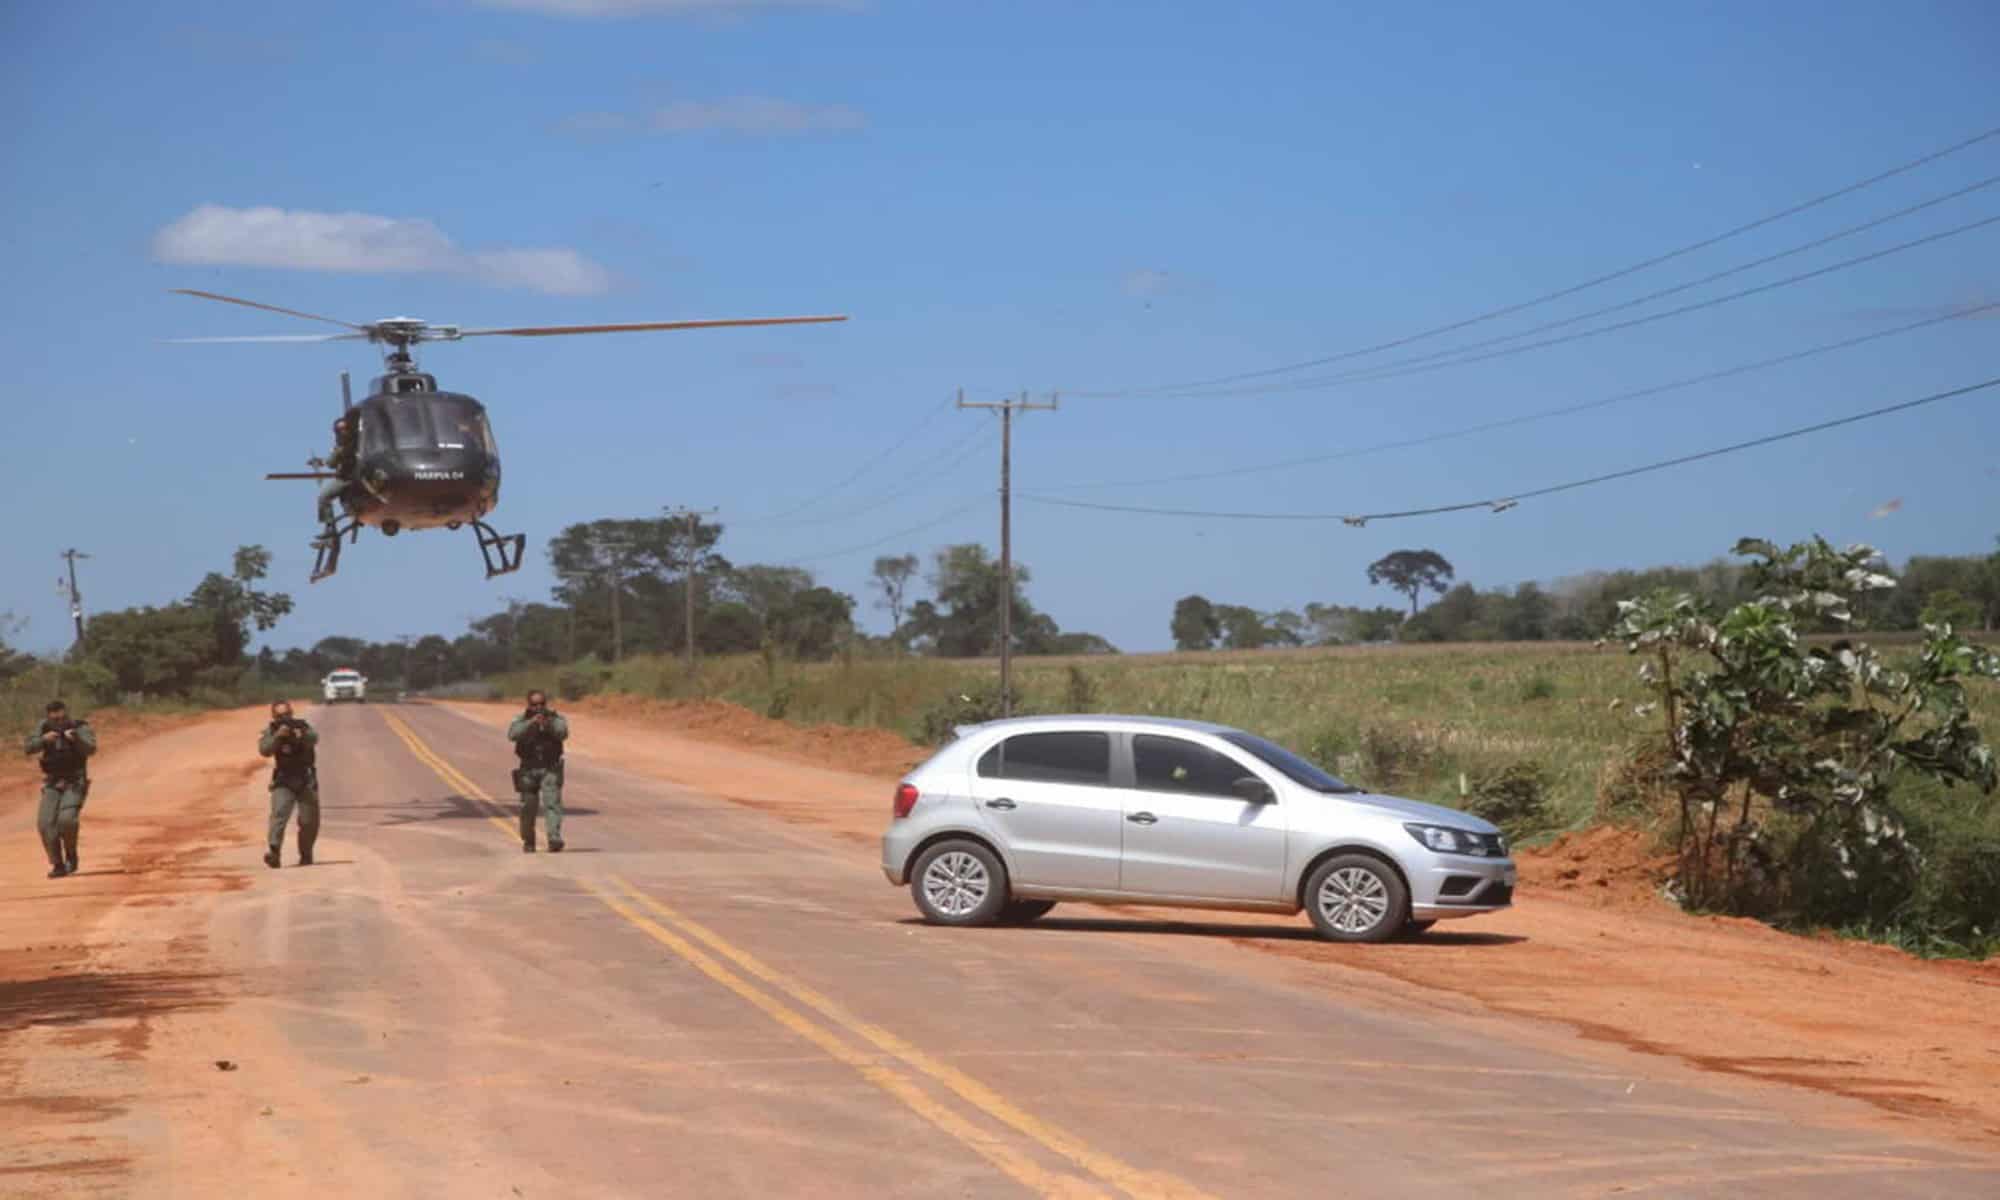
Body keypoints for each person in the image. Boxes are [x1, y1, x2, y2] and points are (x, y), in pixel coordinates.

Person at [24, 700, 95, 879]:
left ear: (66, 713)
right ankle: (58, 863)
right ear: (49, 716)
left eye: (61, 715)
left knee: (67, 820)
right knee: (45, 823)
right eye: (54, 717)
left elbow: (91, 749)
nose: (58, 720)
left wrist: (76, 738)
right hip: (52, 782)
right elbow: (28, 747)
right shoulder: (43, 727)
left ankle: (71, 855)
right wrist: (43, 740)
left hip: (74, 781)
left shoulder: (79, 726)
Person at [257, 699, 320, 868]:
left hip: (305, 778)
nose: (284, 719)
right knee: (279, 815)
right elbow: (264, 750)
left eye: (287, 715)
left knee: (309, 821)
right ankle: (274, 852)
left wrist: (302, 735)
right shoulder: (272, 731)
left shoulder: (302, 726)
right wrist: (278, 737)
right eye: (280, 716)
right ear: (274, 716)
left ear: (292, 714)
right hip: (284, 779)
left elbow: (315, 738)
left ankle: (306, 855)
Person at [506, 690, 568, 853]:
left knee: (552, 804)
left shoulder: (555, 718)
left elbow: (563, 732)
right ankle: (529, 840)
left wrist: (548, 724)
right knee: (528, 807)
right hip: (528, 769)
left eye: (541, 704)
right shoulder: (521, 719)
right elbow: (512, 734)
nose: (538, 707)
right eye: (534, 704)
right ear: (529, 705)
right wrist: (531, 723)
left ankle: (554, 838)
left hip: (550, 768)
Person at [316, 414, 360, 528]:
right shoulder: (360, 442)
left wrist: (323, 461)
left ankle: (329, 527)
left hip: (347, 479)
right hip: (360, 478)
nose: (343, 432)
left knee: (323, 498)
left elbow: (331, 464)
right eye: (341, 430)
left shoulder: (342, 448)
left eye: (345, 429)